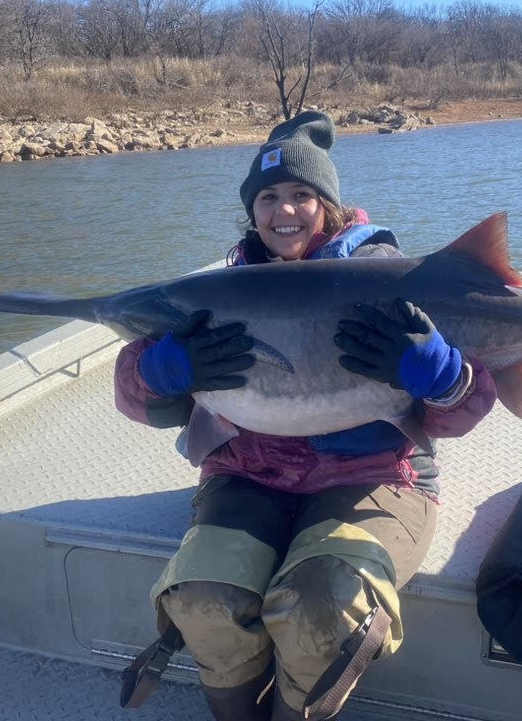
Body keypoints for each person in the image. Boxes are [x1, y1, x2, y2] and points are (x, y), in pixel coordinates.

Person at [114, 111, 497, 720]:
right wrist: (159, 373)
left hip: (375, 475)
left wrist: (446, 377)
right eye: (268, 197)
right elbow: (136, 394)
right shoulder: (219, 290)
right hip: (247, 474)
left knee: (325, 601)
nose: (284, 211)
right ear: (251, 210)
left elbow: (458, 413)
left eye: (302, 195)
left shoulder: (392, 278)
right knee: (205, 597)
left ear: (331, 206)